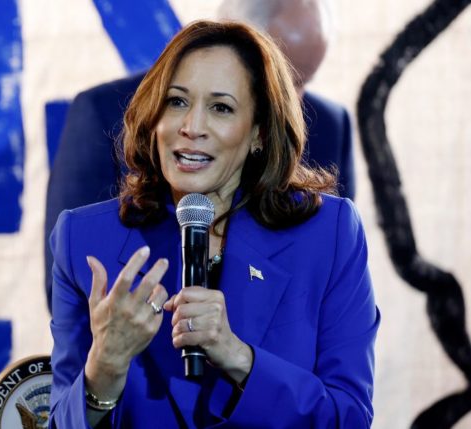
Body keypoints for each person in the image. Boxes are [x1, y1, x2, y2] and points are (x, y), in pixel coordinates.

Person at [48, 20, 378, 428]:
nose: (192, 127)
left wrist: (238, 356)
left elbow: (348, 419)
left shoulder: (328, 236)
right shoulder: (83, 240)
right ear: (154, 117)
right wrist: (105, 368)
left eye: (221, 107)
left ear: (258, 132)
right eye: (177, 102)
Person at [43, 0, 354, 313]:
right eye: (285, 80)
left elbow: (331, 303)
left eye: (302, 81)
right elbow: (69, 287)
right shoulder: (100, 111)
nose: (292, 104)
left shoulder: (330, 125)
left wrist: (239, 351)